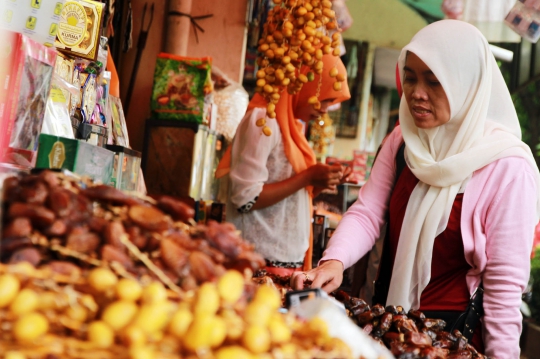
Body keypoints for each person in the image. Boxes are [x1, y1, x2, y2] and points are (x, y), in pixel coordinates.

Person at [292, 20, 540, 358]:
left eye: (434, 81)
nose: (416, 92)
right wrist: (333, 262)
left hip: (452, 341)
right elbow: (367, 212)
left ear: (466, 84)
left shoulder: (507, 167)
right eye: (410, 77)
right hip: (390, 329)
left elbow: (503, 286)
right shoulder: (401, 142)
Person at [216, 54, 352, 276]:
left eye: (331, 101)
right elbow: (245, 199)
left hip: (283, 264)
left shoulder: (292, 128)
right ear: (303, 86)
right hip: (257, 265)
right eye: (325, 98)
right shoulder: (264, 120)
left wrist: (319, 181)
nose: (326, 109)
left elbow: (288, 198)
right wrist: (307, 178)